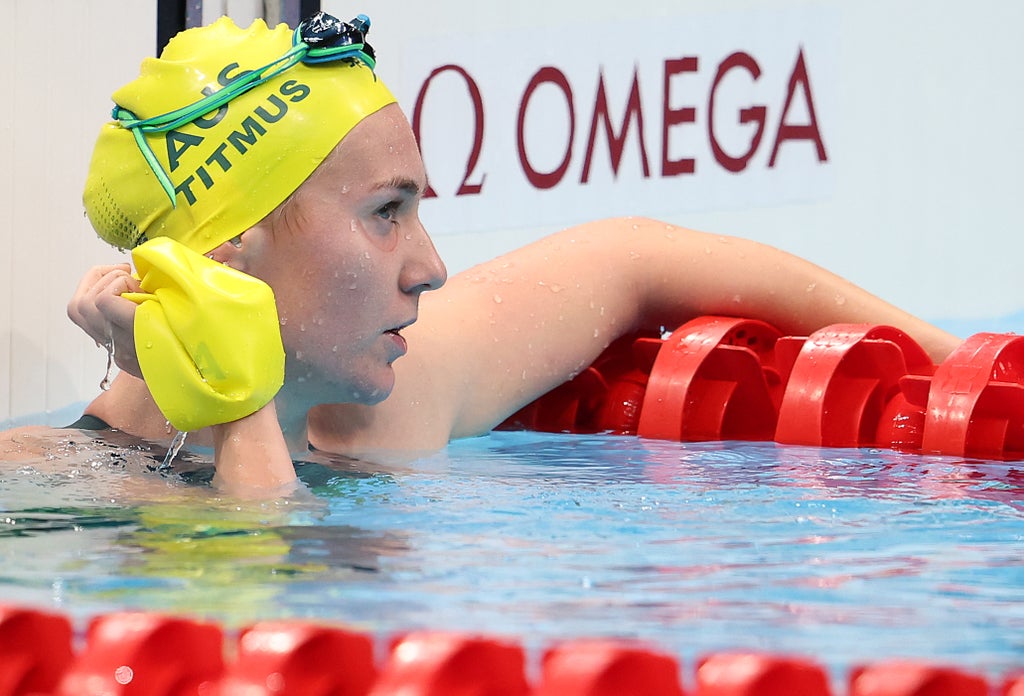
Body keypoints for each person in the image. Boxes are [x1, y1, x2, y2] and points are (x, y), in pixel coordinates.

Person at [5, 12, 962, 497]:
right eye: (386, 213)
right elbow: (265, 613)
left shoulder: (394, 398)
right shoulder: (51, 485)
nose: (430, 268)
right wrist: (239, 406)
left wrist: (956, 362)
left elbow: (632, 257)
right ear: (227, 258)